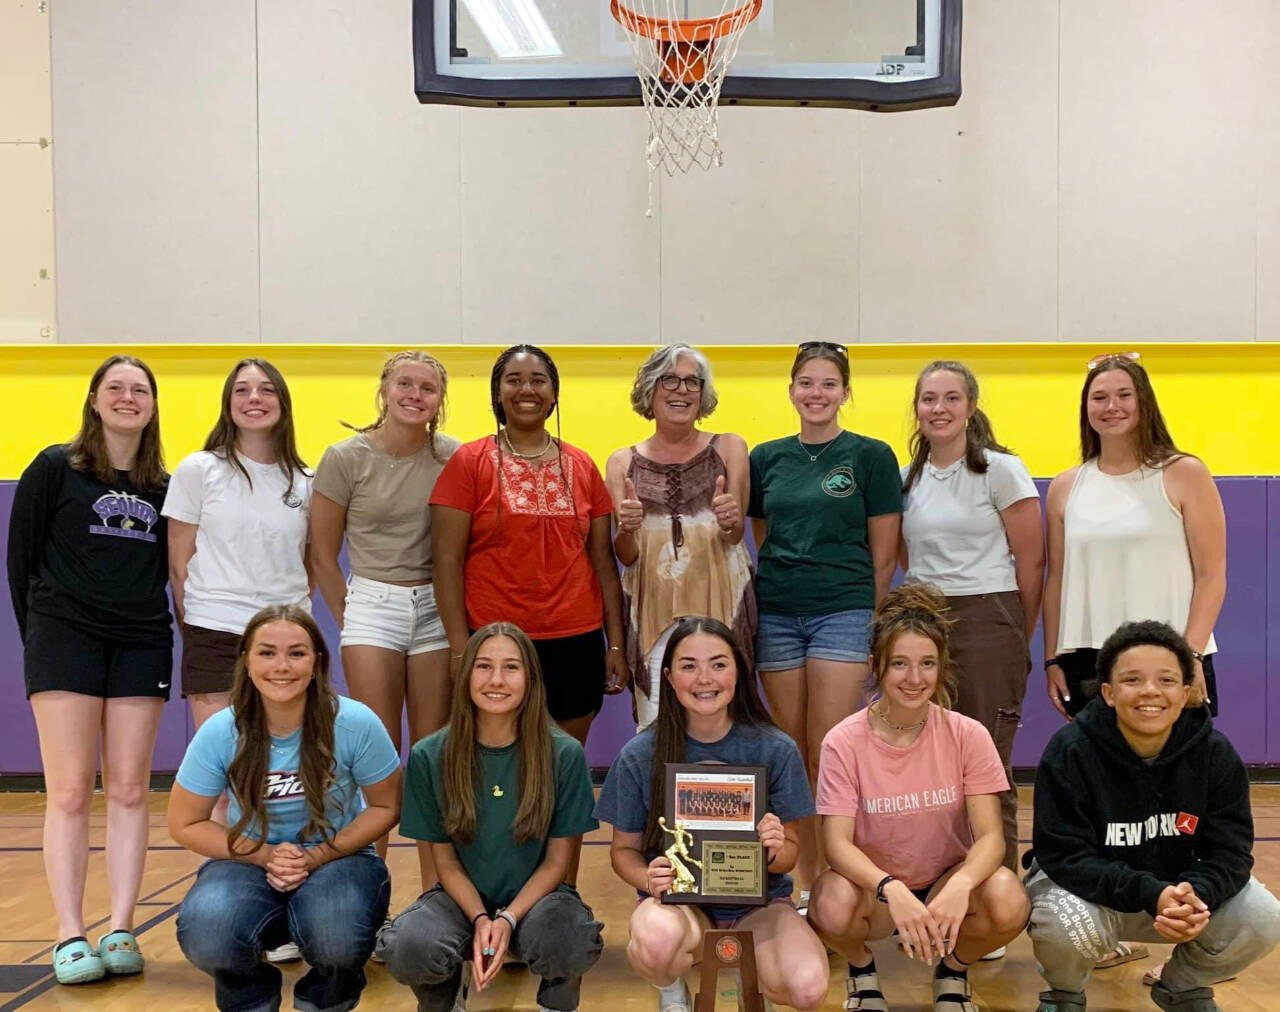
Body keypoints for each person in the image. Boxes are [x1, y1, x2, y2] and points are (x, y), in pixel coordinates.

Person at [6, 355, 172, 985]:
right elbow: (20, 562)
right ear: (95, 400)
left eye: (140, 390)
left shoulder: (164, 485)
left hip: (140, 640)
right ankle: (70, 931)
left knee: (131, 789)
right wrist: (41, 641)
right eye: (116, 388)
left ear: (153, 406)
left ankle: (122, 925)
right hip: (64, 638)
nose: (128, 398)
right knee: (71, 791)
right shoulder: (55, 467)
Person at [1026, 621, 1280, 1012]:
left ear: (1185, 692)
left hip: (1175, 896)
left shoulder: (1214, 752)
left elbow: (1230, 852)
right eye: (1132, 680)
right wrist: (1151, 893)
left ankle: (1181, 986)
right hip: (1091, 895)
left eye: (1165, 680)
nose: (1149, 692)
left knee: (1264, 918)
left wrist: (1196, 895)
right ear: (1108, 693)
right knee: (1064, 924)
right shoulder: (1070, 751)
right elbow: (1064, 857)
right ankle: (1063, 994)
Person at [807, 584, 1030, 1012]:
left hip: (944, 881)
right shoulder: (843, 741)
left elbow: (990, 839)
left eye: (927, 664)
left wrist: (961, 886)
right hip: (877, 891)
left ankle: (954, 969)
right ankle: (861, 968)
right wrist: (892, 889)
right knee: (829, 904)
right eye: (900, 665)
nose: (915, 678)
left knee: (1007, 899)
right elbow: (836, 846)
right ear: (877, 665)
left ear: (942, 667)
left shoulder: (968, 734)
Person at [168, 605, 402, 1012]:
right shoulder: (223, 730)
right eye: (267, 653)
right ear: (246, 661)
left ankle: (324, 999)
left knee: (337, 934)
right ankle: (251, 1000)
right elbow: (184, 822)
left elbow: (386, 806)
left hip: (337, 859)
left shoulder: (355, 722)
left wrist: (317, 856)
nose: (282, 666)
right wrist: (263, 854)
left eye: (296, 653)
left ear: (317, 662)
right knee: (210, 928)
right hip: (249, 859)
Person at [595, 616, 829, 1012]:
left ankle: (752, 976)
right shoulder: (640, 754)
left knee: (807, 989)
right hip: (679, 906)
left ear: (739, 672)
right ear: (668, 678)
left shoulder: (776, 748)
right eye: (689, 666)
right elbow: (622, 852)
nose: (704, 678)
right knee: (654, 940)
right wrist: (647, 878)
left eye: (718, 664)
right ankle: (670, 989)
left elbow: (790, 853)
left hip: (760, 906)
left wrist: (774, 848)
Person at [377, 622, 604, 1012]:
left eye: (511, 667)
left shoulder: (563, 754)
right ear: (466, 676)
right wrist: (481, 917)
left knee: (570, 938)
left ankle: (557, 1002)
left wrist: (508, 919)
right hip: (458, 899)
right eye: (484, 666)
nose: (496, 679)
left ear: (530, 678)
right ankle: (444, 999)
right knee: (408, 944)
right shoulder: (432, 755)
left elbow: (557, 862)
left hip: (539, 899)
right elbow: (443, 860)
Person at [748, 341, 903, 900]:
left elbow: (883, 556)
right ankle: (802, 877)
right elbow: (765, 538)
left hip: (844, 611)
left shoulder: (871, 456)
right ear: (791, 391)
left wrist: (875, 627)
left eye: (828, 384)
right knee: (790, 750)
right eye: (806, 383)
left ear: (845, 393)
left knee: (828, 748)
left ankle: (836, 880)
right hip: (779, 614)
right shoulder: (766, 457)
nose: (817, 394)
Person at [311, 349, 460, 886]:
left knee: (429, 756)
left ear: (440, 399)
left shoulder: (455, 457)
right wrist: (351, 616)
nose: (415, 395)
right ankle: (366, 897)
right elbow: (323, 554)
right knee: (374, 755)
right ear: (384, 390)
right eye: (405, 384)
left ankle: (434, 897)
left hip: (437, 608)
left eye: (427, 387)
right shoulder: (345, 457)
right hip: (372, 603)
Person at [432, 343, 627, 749]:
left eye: (538, 380)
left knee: (563, 759)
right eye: (514, 380)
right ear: (497, 394)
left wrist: (615, 643)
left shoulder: (583, 464)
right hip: (494, 638)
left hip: (576, 639)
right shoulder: (469, 461)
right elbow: (447, 561)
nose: (527, 390)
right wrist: (457, 646)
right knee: (498, 759)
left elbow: (604, 564)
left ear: (554, 395)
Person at [899, 360, 1043, 873]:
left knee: (984, 766)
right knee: (928, 764)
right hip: (924, 622)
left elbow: (1032, 561)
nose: (939, 408)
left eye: (951, 398)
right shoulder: (906, 477)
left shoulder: (1002, 470)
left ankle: (996, 896)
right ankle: (937, 887)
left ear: (971, 407)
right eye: (928, 399)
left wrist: (1013, 636)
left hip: (989, 618)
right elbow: (903, 555)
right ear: (916, 409)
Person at [163, 358, 313, 827]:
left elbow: (308, 564)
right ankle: (228, 882)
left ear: (282, 404)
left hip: (284, 638)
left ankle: (285, 874)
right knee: (223, 775)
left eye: (266, 390)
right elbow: (178, 559)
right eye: (243, 390)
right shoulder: (199, 469)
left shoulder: (306, 481)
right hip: (215, 630)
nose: (255, 399)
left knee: (282, 775)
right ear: (228, 404)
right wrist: (199, 624)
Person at [1043, 353, 1225, 721]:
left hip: (1171, 654)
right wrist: (1052, 658)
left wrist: (1190, 655)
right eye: (1099, 398)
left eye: (1124, 395)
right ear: (1086, 408)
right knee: (1097, 773)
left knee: (1178, 772)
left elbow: (1212, 575)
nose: (1112, 407)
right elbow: (1057, 580)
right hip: (1087, 659)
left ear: (1145, 402)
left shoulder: (1184, 473)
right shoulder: (1065, 487)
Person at [605, 343, 755, 731]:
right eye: (670, 380)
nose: (682, 390)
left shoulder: (731, 447)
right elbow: (626, 556)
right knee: (658, 726)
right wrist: (627, 529)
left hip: (722, 604)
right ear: (649, 390)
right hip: (651, 613)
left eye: (692, 381)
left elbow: (736, 534)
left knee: (724, 722)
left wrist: (729, 519)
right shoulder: (622, 462)